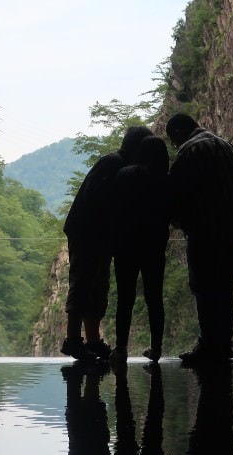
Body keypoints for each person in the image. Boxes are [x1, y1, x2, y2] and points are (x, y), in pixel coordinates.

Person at [62, 126, 153, 363]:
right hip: (88, 232)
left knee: (97, 286)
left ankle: (92, 341)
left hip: (96, 234)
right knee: (83, 284)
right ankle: (73, 340)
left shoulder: (114, 163)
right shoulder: (114, 165)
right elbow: (101, 202)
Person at [165, 114, 233, 363]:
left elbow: (177, 193)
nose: (175, 145)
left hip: (206, 229)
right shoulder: (226, 145)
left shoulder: (190, 150)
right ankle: (224, 344)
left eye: (173, 140)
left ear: (180, 132)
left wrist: (177, 221)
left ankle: (208, 344)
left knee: (203, 286)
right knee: (225, 287)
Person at [109, 135, 171, 363]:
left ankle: (121, 349)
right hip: (154, 245)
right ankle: (156, 349)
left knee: (125, 298)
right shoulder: (165, 180)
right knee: (154, 298)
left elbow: (114, 209)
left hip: (125, 244)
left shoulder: (125, 174)